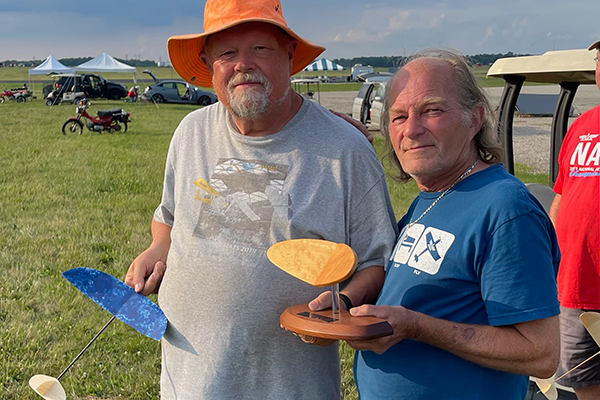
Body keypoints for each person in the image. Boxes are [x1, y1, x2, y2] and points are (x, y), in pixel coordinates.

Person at [124, 0, 398, 399]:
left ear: (289, 55)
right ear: (209, 64)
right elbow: (168, 217)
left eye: (260, 49)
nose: (242, 65)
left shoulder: (345, 151)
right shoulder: (190, 132)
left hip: (287, 387)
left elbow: (378, 260)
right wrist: (156, 247)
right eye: (227, 53)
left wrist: (340, 304)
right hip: (187, 382)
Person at [344, 49, 561, 400]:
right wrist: (344, 300)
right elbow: (397, 277)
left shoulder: (506, 210)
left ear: (475, 119)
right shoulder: (429, 198)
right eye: (398, 117)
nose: (411, 130)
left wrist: (415, 327)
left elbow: (540, 353)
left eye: (432, 110)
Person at [548, 39, 600, 400]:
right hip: (575, 287)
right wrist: (545, 259)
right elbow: (562, 198)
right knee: (583, 384)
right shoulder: (582, 124)